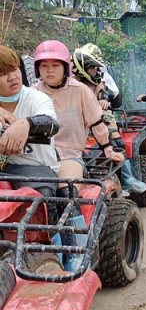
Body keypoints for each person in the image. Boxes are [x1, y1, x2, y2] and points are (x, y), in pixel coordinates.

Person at [33, 39, 124, 271]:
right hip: (35, 157)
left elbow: (97, 123)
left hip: (68, 155)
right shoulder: (32, 93)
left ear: (66, 67)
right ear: (37, 69)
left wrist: (109, 149)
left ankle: (76, 251)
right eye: (44, 66)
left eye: (55, 65)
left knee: (65, 188)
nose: (49, 70)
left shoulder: (81, 91)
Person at [70, 45, 146, 194]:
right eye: (92, 67)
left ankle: (127, 179)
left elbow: (103, 91)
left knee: (116, 142)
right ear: (82, 67)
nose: (95, 70)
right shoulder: (68, 84)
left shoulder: (96, 79)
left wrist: (103, 100)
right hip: (75, 124)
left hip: (99, 118)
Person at [0, 45, 59, 227]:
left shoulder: (36, 98)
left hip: (36, 168)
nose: (12, 77)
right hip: (4, 168)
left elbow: (51, 123)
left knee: (42, 200)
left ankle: (59, 249)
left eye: (14, 69)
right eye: (2, 74)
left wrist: (27, 124)